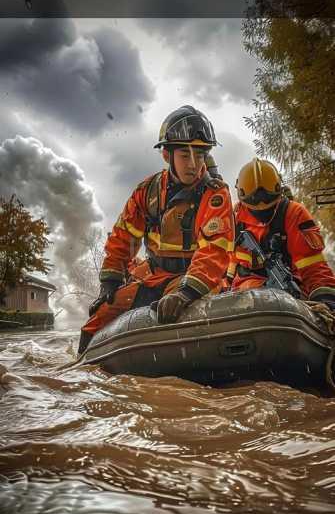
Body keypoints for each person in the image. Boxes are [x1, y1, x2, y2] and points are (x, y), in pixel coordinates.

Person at [77, 105, 234, 354]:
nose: (193, 164)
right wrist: (109, 282)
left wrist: (185, 293)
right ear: (166, 155)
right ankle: (82, 375)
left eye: (201, 155)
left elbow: (215, 251)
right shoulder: (147, 191)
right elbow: (122, 238)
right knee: (96, 322)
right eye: (184, 154)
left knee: (180, 318)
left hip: (194, 279)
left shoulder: (215, 194)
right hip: (153, 274)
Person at [225, 157, 335, 308]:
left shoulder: (293, 213)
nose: (262, 213)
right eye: (254, 210)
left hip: (291, 295)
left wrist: (327, 301)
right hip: (242, 296)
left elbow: (313, 266)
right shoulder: (234, 218)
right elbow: (225, 261)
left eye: (269, 208)